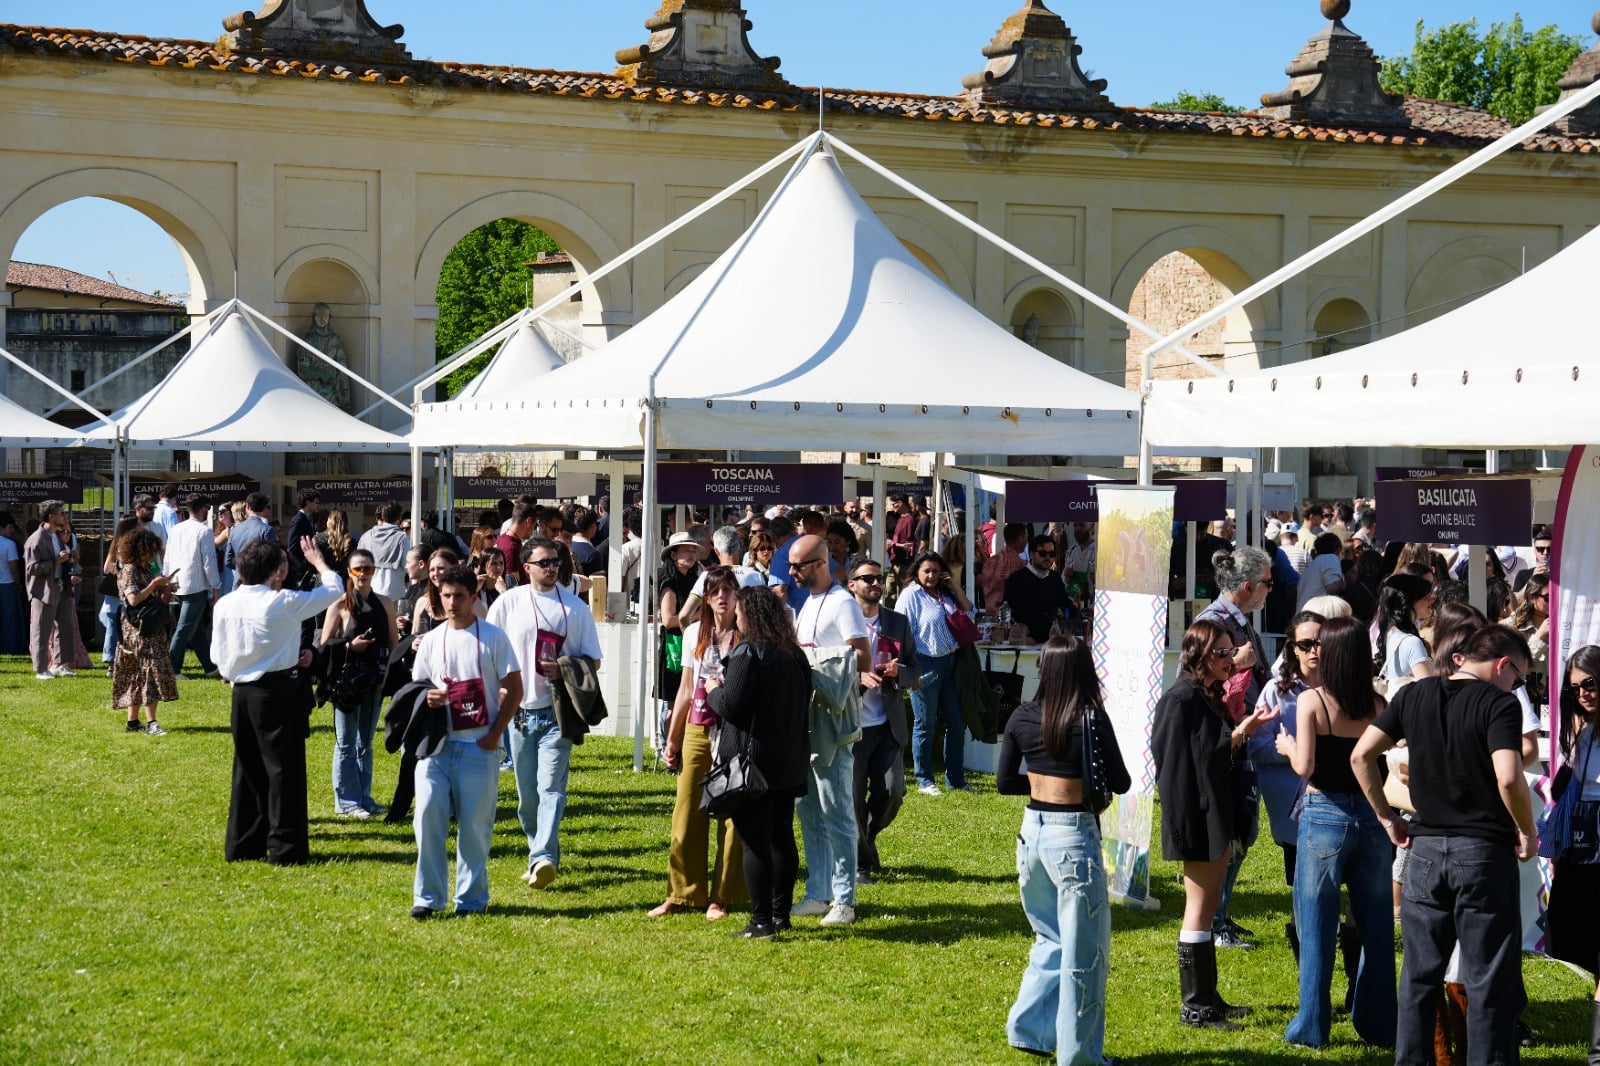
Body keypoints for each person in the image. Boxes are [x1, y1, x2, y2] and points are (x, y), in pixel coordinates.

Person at [1351, 625, 1538, 1065]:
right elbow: (1509, 776)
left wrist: (1385, 816)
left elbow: (1361, 755)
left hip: (1425, 850)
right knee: (1488, 978)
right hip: (1483, 854)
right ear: (1502, 665)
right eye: (1520, 676)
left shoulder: (1413, 695)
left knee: (1418, 976)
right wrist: (1526, 831)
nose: (1517, 685)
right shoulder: (1500, 704)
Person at [998, 635, 1131, 1064]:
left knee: (1048, 937)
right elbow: (1122, 782)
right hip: (1073, 835)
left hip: (1031, 833)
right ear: (1083, 670)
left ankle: (1027, 1028)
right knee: (1084, 952)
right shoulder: (1091, 718)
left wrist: (1041, 784)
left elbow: (1004, 782)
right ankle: (1079, 1055)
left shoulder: (1021, 716)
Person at [1276, 616, 1396, 1050]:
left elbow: (1306, 767)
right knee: (1377, 928)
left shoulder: (1313, 702)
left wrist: (1287, 746)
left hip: (1324, 815)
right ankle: (1380, 1023)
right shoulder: (1377, 705)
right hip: (1371, 816)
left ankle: (1311, 1026)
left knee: (1316, 926)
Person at [1152, 618, 1278, 1030]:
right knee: (1199, 911)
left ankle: (1208, 999)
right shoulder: (1181, 698)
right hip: (1197, 819)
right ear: (1198, 654)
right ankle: (1196, 1006)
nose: (1229, 659)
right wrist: (1243, 730)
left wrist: (1242, 729)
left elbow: (1214, 755)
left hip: (1216, 814)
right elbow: (1172, 767)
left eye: (1231, 651)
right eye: (1220, 653)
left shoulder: (1208, 696)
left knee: (1207, 914)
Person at [212, 537, 343, 866]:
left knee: (247, 768)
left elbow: (217, 655)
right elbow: (333, 590)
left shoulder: (225, 604)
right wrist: (320, 563)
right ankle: (285, 849)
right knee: (284, 770)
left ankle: (243, 843)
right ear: (279, 571)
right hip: (275, 691)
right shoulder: (280, 601)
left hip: (241, 692)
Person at [407, 563, 522, 918]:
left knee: (474, 826)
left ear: (474, 597)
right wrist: (429, 698)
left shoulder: (492, 637)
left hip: (478, 747)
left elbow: (515, 688)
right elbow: (417, 688)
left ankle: (470, 901)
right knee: (427, 818)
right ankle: (427, 898)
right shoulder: (431, 641)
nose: (452, 602)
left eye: (459, 596)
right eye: (446, 595)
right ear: (437, 597)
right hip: (436, 747)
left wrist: (495, 735)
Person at [487, 536, 602, 889]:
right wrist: (499, 684)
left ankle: (543, 859)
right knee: (527, 798)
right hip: (519, 713)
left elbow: (593, 659)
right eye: (545, 563)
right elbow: (488, 649)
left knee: (551, 788)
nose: (553, 568)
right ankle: (539, 847)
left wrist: (564, 667)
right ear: (527, 568)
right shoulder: (508, 603)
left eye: (556, 561)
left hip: (558, 710)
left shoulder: (575, 608)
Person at [705, 585, 812, 939]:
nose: (735, 616)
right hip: (788, 758)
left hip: (752, 761)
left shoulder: (749, 652)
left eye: (739, 613)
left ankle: (761, 921)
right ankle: (780, 916)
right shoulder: (795, 654)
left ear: (749, 615)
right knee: (782, 837)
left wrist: (712, 691)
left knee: (755, 841)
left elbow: (731, 704)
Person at [653, 566, 746, 920]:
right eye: (715, 591)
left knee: (733, 813)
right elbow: (686, 690)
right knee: (687, 808)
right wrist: (672, 738)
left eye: (728, 590)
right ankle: (682, 892)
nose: (722, 596)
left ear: (738, 595)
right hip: (698, 725)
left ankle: (723, 896)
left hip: (735, 729)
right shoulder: (694, 632)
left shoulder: (748, 633)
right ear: (705, 598)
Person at [1194, 545, 1274, 950]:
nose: (1270, 591)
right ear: (1247, 586)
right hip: (1225, 741)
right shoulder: (1214, 623)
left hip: (1242, 737)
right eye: (1267, 584)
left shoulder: (1237, 621)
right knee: (1234, 832)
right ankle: (1213, 922)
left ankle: (1220, 914)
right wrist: (1238, 663)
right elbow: (1193, 680)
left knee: (1244, 829)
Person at [790, 533, 871, 928]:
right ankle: (818, 892)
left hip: (833, 719)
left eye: (798, 566)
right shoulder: (806, 603)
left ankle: (845, 898)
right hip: (805, 717)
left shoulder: (843, 604)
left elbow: (862, 657)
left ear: (820, 563)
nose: (791, 572)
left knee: (836, 807)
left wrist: (813, 662)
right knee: (807, 807)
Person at [1249, 609, 1324, 956]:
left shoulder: (1340, 687)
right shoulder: (1277, 692)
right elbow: (1257, 745)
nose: (1314, 651)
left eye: (1320, 643)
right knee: (1302, 880)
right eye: (1306, 644)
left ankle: (1320, 929)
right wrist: (1293, 750)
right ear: (1292, 648)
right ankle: (1300, 934)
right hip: (1293, 805)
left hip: (1337, 798)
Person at [848, 558, 920, 882]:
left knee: (893, 792)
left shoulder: (897, 622)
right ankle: (862, 864)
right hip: (850, 726)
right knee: (850, 798)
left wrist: (899, 672)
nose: (875, 584)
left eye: (879, 578)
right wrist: (856, 676)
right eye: (868, 579)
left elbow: (915, 672)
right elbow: (821, 667)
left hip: (887, 725)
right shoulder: (841, 621)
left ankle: (866, 835)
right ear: (853, 584)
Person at [1545, 644, 1600, 1062]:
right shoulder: (1582, 727)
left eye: (1591, 683)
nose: (1583, 693)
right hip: (1582, 840)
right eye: (1575, 688)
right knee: (1571, 932)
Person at [320, 548, 397, 819]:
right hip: (347, 684)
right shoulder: (340, 605)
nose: (363, 574)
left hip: (374, 681)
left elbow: (393, 643)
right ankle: (347, 801)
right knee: (346, 742)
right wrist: (350, 646)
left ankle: (364, 796)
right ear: (349, 573)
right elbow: (324, 646)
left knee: (365, 742)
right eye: (358, 569)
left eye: (368, 569)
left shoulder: (385, 603)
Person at [899, 549, 975, 796]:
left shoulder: (944, 594)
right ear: (917, 572)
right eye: (926, 571)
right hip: (924, 664)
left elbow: (969, 610)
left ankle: (955, 778)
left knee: (956, 722)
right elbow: (901, 631)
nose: (931, 575)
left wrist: (954, 586)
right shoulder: (910, 595)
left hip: (951, 664)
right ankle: (924, 780)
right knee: (925, 724)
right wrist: (908, 669)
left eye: (935, 571)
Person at [112, 528, 178, 736]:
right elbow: (133, 599)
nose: (152, 555)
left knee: (137, 674)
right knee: (147, 673)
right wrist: (153, 585)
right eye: (149, 550)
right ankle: (152, 723)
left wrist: (166, 587)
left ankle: (133, 723)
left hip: (149, 627)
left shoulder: (144, 567)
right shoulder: (130, 569)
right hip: (139, 630)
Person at [163, 493, 221, 678]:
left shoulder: (176, 529)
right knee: (184, 629)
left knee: (194, 629)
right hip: (195, 586)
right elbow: (209, 562)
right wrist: (216, 586)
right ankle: (172, 668)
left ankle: (210, 668)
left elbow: (167, 558)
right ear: (203, 508)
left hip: (177, 584)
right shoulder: (204, 531)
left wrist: (167, 580)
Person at [23, 499, 79, 681]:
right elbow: (31, 568)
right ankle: (41, 669)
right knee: (42, 628)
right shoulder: (36, 539)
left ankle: (60, 665)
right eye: (61, 513)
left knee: (65, 626)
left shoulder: (56, 536)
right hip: (43, 590)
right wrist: (55, 561)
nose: (65, 516)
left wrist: (69, 573)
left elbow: (63, 560)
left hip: (61, 586)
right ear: (51, 516)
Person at [657, 531, 705, 704]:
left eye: (694, 551)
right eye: (686, 550)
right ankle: (668, 732)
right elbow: (668, 620)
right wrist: (700, 615)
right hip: (674, 646)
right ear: (674, 554)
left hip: (692, 641)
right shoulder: (669, 582)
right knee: (674, 702)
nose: (692, 555)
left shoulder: (695, 579)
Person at [1004, 533, 1073, 644]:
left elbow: (1065, 604)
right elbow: (1008, 611)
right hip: (1024, 642)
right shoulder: (1017, 579)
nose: (1047, 558)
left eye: (1051, 554)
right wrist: (1022, 637)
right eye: (1042, 553)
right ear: (1031, 554)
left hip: (1050, 641)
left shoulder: (1055, 578)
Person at [1374, 573, 1436, 689]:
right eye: (1425, 596)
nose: (1432, 599)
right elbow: (1428, 691)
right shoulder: (1411, 642)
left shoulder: (1391, 633)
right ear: (1408, 601)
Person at [357, 502, 410, 602]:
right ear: (399, 518)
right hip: (393, 593)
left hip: (369, 592)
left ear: (382, 516)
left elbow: (357, 565)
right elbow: (407, 565)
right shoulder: (402, 538)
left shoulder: (366, 536)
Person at [223, 493, 276, 571]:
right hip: (259, 578)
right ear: (264, 508)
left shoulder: (234, 530)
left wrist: (241, 568)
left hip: (239, 578)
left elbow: (228, 560)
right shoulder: (267, 530)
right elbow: (272, 559)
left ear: (247, 506)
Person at [983, 522, 1028, 613]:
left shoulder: (990, 562)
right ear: (1019, 539)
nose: (1027, 541)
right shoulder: (1019, 563)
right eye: (1026, 537)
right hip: (1007, 617)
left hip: (990, 614)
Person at [0, 511, 25, 655]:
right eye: (9, 527)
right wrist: (18, 584)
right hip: (7, 584)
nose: (12, 530)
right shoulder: (9, 544)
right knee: (9, 618)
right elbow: (14, 568)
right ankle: (10, 647)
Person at [285, 488, 320, 584]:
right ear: (308, 502)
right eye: (316, 502)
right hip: (301, 570)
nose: (318, 505)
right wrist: (302, 565)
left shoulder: (309, 519)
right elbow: (292, 546)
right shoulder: (298, 520)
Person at [317, 508, 353, 576]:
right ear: (346, 522)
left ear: (329, 522)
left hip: (323, 579)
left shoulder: (318, 539)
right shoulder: (352, 542)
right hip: (344, 580)